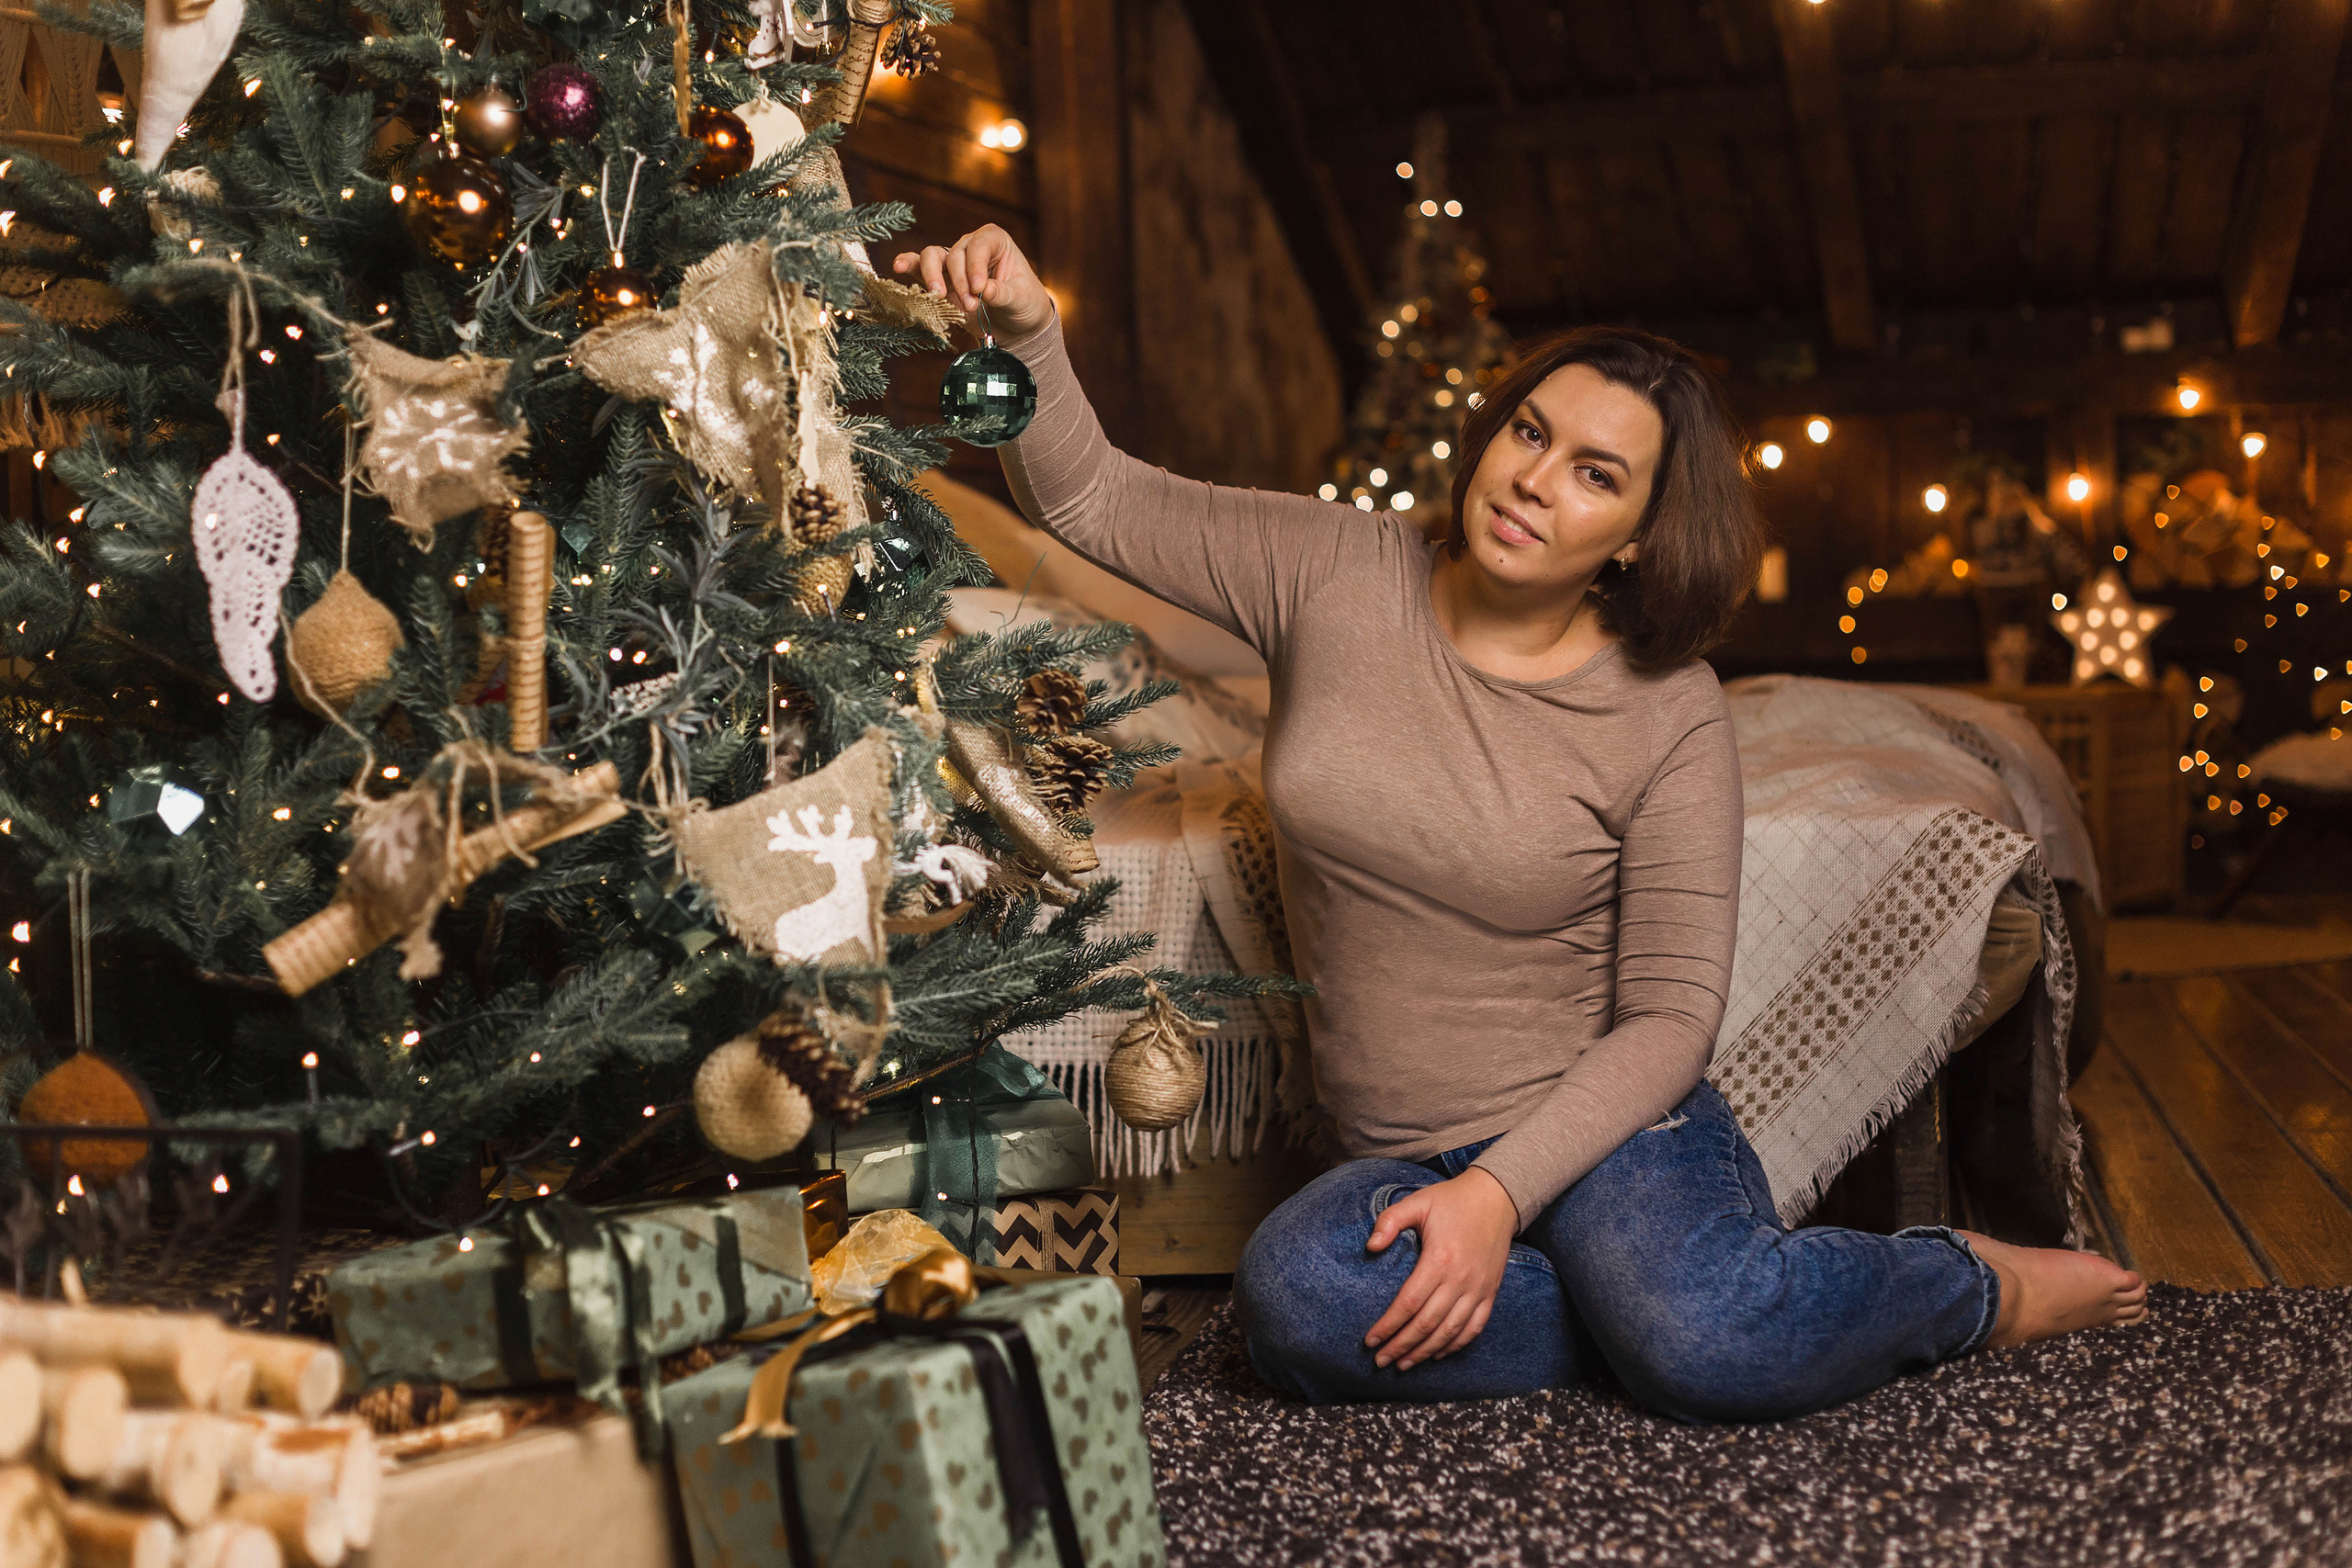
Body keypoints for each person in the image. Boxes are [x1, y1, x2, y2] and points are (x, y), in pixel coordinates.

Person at [894, 227, 2147, 1421]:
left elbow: (1669, 1020)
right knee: (1295, 1301)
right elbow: (1096, 503)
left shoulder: (1669, 711)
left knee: (1706, 1345)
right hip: (1396, 1150)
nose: (1535, 482)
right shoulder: (1332, 570)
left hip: (1611, 1134)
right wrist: (1028, 332)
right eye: (1530, 434)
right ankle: (1663, 1312)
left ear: (1642, 534)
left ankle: (1968, 1286)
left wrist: (1502, 1191)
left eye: (1594, 474)